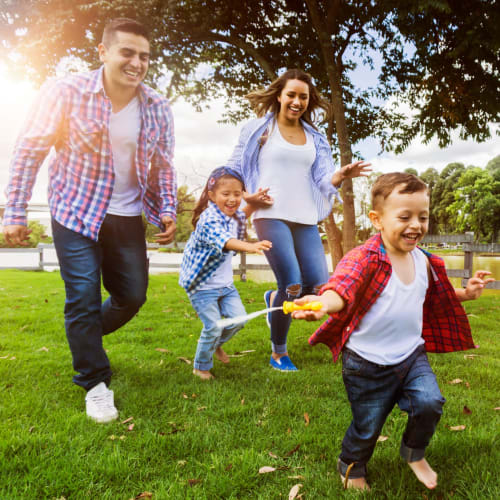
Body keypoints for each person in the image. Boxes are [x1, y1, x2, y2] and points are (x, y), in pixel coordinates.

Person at [2, 18, 177, 423]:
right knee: (81, 295)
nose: (137, 63)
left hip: (127, 215)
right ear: (103, 52)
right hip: (76, 211)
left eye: (145, 56)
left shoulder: (157, 106)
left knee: (131, 297)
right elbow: (29, 150)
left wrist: (166, 207)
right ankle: (95, 382)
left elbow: (163, 167)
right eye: (128, 52)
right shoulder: (67, 91)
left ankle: (83, 337)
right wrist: (14, 210)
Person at [292, 172, 494, 490]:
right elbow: (342, 287)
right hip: (365, 363)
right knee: (367, 425)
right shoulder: (364, 258)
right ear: (377, 219)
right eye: (405, 216)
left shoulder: (425, 261)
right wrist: (322, 303)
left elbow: (435, 294)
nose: (416, 225)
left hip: (411, 355)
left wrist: (466, 293)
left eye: (422, 217)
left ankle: (414, 452)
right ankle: (352, 466)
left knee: (430, 402)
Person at [225, 68, 371, 371]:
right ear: (279, 95)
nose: (297, 101)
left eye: (303, 96)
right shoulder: (258, 130)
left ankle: (273, 299)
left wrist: (341, 175)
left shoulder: (315, 137)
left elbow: (322, 178)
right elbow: (235, 166)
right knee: (291, 283)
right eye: (291, 94)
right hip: (270, 213)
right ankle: (279, 352)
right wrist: (243, 199)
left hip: (305, 215)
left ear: (309, 100)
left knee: (318, 286)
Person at [179, 167, 272, 380]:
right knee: (212, 326)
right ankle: (200, 367)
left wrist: (254, 202)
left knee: (239, 320)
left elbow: (243, 213)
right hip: (201, 286)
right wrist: (250, 246)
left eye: (237, 194)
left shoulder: (231, 214)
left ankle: (214, 343)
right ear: (212, 196)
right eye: (226, 194)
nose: (232, 199)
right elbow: (225, 241)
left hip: (225, 285)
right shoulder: (209, 218)